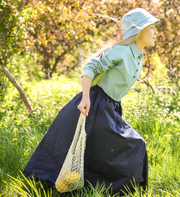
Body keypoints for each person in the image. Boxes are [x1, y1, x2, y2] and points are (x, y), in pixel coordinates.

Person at [23, 8, 160, 195]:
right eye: (151, 27)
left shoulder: (138, 54)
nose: (155, 32)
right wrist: (86, 97)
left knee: (103, 150)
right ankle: (120, 188)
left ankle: (103, 188)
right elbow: (90, 67)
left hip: (110, 106)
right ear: (139, 31)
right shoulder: (120, 51)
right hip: (95, 104)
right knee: (134, 144)